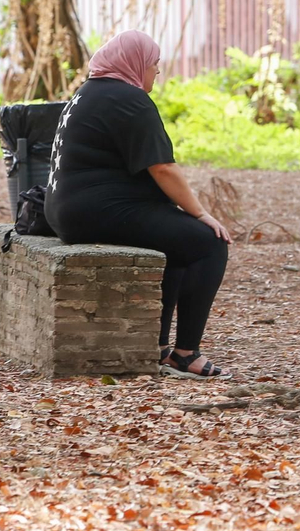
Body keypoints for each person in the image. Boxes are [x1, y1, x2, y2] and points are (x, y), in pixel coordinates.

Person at [45, 30, 234, 378]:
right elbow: (163, 168)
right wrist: (202, 214)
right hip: (94, 212)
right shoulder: (127, 99)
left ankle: (159, 347)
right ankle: (185, 354)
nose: (157, 71)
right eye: (154, 63)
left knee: (178, 244)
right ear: (134, 64)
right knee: (209, 244)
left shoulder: (88, 93)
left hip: (67, 211)